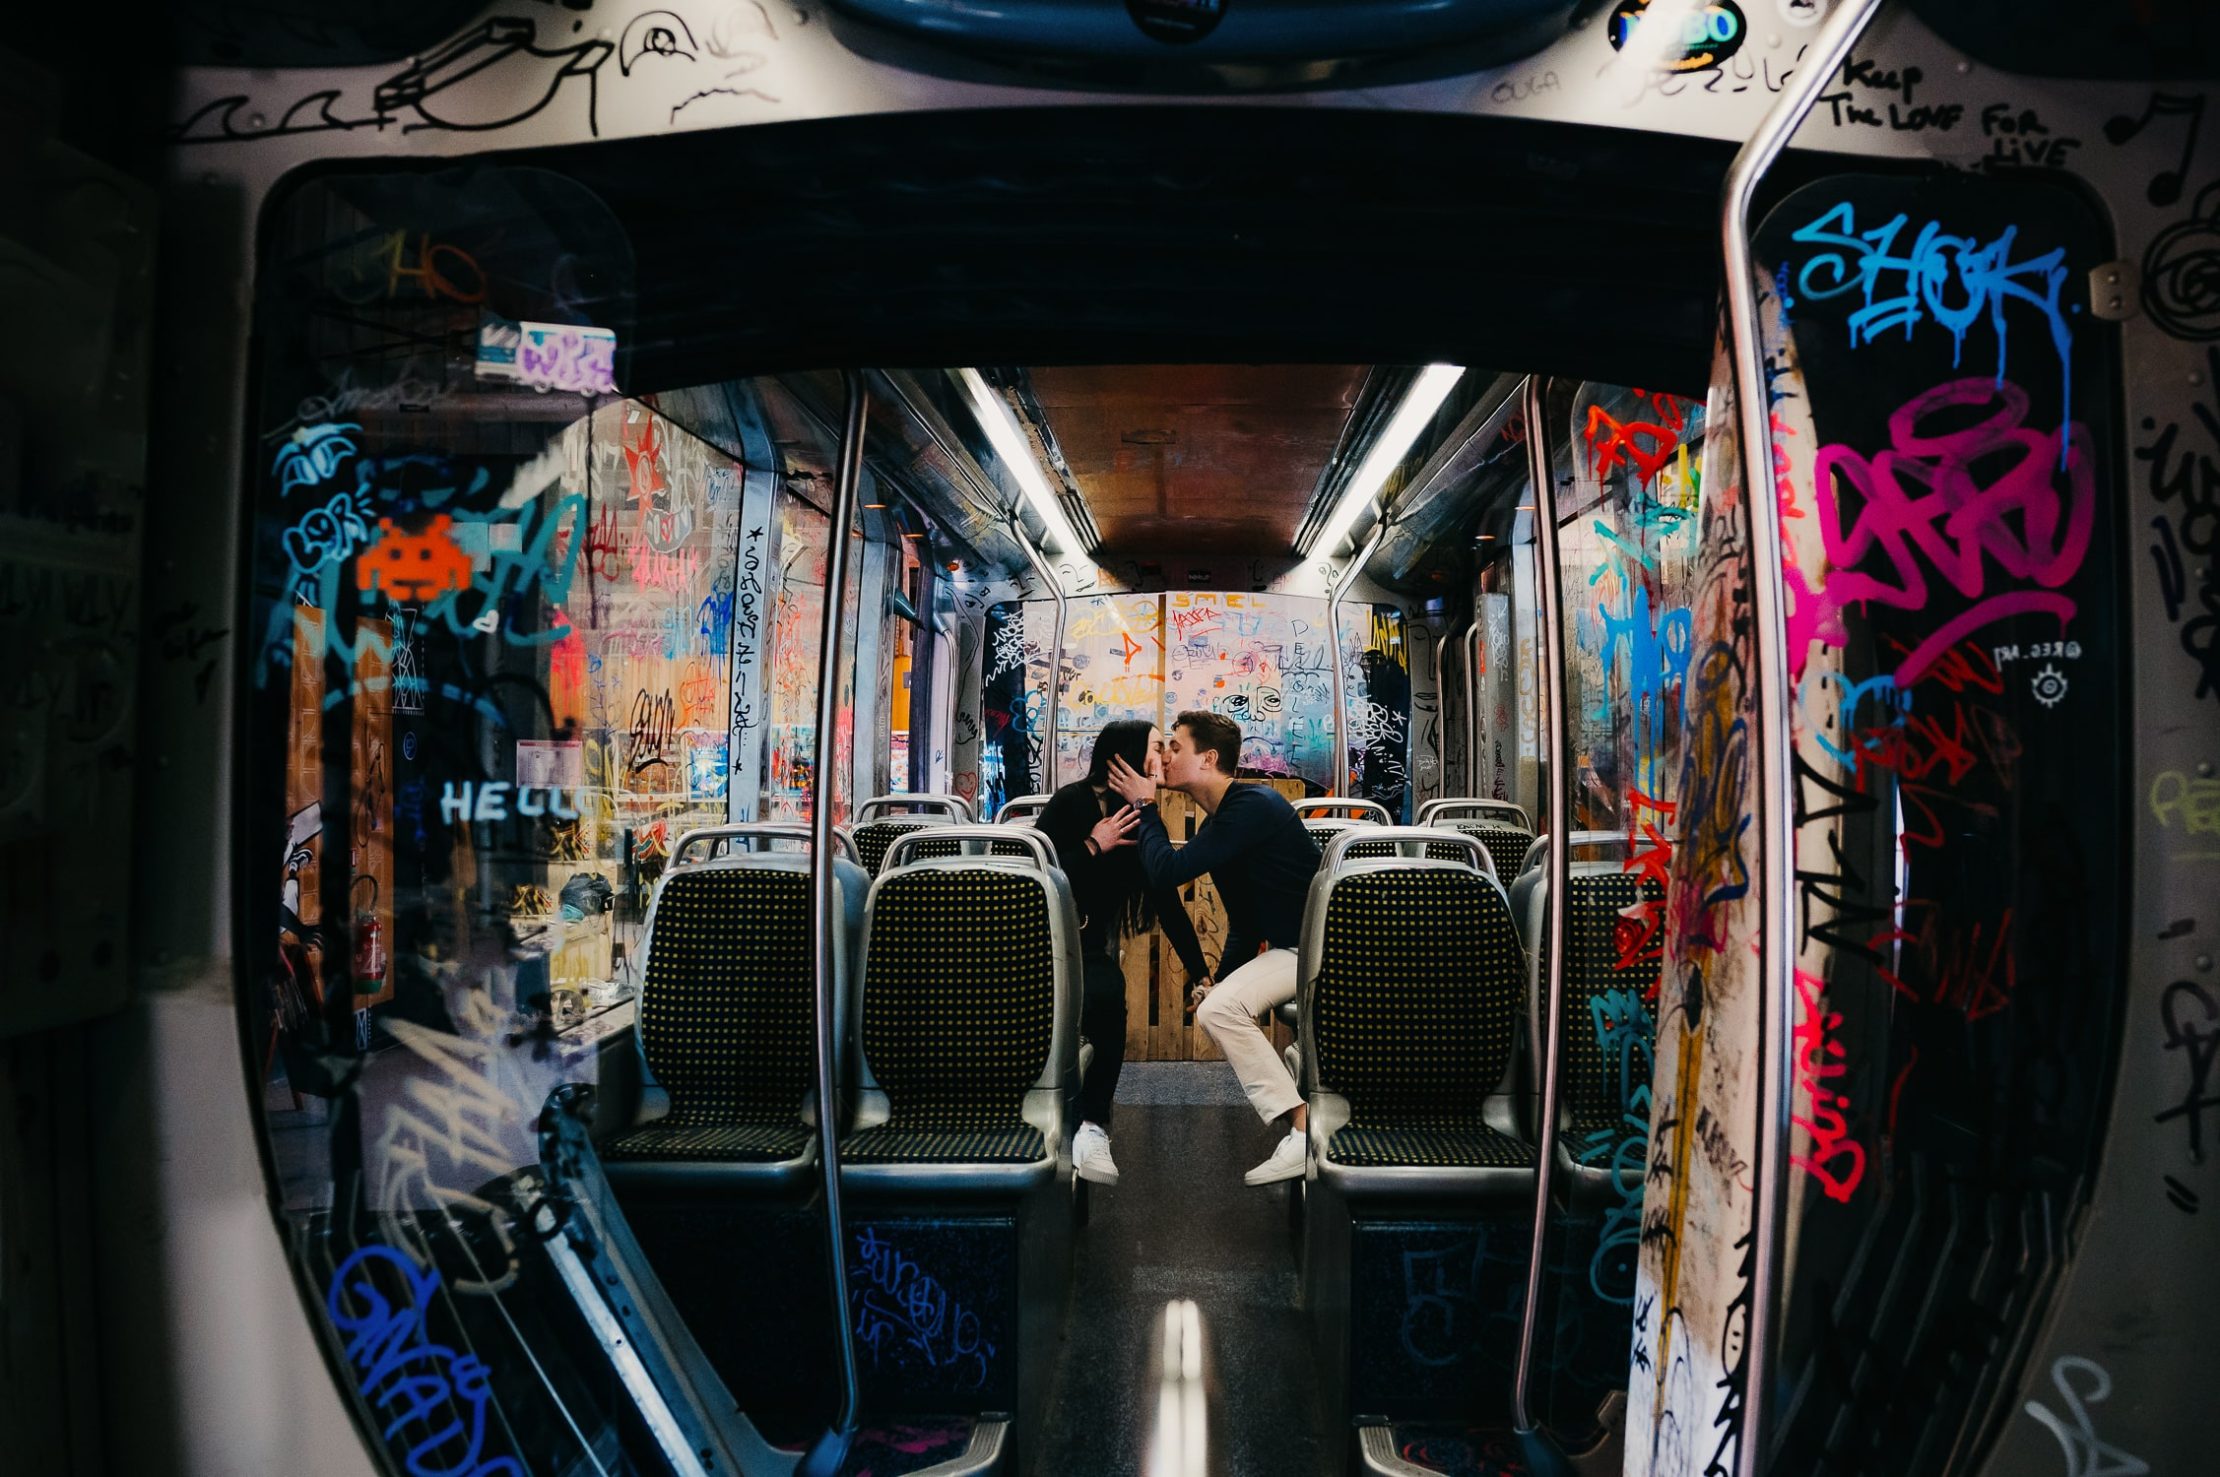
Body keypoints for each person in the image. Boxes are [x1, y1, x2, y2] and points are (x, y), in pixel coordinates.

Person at [1105, 710, 1322, 1186]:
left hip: (1325, 947)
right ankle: (1300, 1120)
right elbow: (1245, 921)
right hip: (1295, 947)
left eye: (1175, 747)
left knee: (1220, 1011)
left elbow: (1165, 871)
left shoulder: (1253, 806)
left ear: (1208, 759)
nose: (1165, 757)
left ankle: (1303, 1126)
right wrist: (1218, 980)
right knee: (1219, 1004)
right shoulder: (1219, 825)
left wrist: (1145, 806)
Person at [1035, 720, 1214, 1186]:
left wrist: (1201, 974)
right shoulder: (1071, 801)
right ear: (1129, 756)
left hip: (1088, 951)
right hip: (1041, 946)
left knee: (1110, 993)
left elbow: (1166, 902)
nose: (1165, 756)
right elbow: (1035, 878)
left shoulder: (1140, 819)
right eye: (1157, 747)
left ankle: (1093, 1126)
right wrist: (1093, 845)